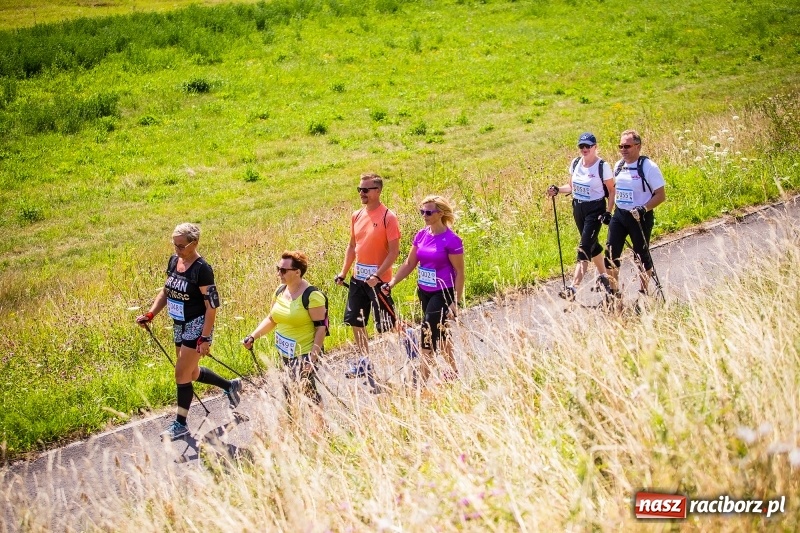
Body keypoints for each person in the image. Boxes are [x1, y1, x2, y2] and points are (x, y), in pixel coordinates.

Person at [136, 223, 241, 441]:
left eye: (181, 246)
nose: (177, 249)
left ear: (195, 243)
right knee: (190, 373)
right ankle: (230, 386)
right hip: (179, 324)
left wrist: (205, 337)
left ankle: (181, 425)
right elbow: (166, 291)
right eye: (174, 244)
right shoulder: (174, 261)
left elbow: (212, 307)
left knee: (181, 374)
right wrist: (151, 314)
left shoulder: (202, 269)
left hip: (197, 324)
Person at [382, 195, 465, 384]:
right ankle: (453, 372)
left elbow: (460, 272)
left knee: (427, 334)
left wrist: (455, 302)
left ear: (441, 213)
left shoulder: (452, 240)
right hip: (424, 291)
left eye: (428, 212)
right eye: (422, 212)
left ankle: (419, 384)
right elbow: (410, 263)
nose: (424, 215)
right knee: (441, 333)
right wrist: (392, 283)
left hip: (443, 292)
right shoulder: (421, 235)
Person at [242, 251, 326, 428]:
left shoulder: (312, 296)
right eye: (278, 269)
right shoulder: (280, 291)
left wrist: (312, 358)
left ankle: (320, 429)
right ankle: (293, 429)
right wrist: (253, 336)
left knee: (306, 392)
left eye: (283, 270)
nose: (278, 273)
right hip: (285, 353)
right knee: (289, 390)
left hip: (304, 353)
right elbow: (272, 319)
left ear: (297, 272)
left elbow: (321, 328)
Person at [334, 173, 401, 381]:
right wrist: (343, 272)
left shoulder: (388, 217)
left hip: (378, 281)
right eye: (359, 189)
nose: (361, 193)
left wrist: (378, 275)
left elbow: (394, 252)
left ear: (378, 191)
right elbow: (352, 246)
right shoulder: (356, 215)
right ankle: (365, 361)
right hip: (358, 279)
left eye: (365, 189)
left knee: (387, 324)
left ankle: (411, 343)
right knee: (357, 321)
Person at [547, 132, 616, 301]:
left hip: (595, 209)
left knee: (584, 247)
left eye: (588, 146)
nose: (584, 149)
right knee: (592, 244)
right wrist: (557, 189)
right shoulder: (576, 163)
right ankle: (605, 277)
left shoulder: (602, 166)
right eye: (581, 146)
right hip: (578, 208)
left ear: (595, 147)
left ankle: (573, 288)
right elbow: (571, 187)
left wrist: (608, 212)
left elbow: (612, 190)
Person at [605, 129, 666, 297]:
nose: (623, 150)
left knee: (641, 256)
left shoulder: (648, 167)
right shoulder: (618, 166)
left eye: (627, 146)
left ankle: (644, 292)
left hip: (640, 217)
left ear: (638, 146)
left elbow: (661, 195)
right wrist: (608, 211)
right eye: (620, 146)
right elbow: (615, 190)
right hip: (620, 215)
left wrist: (643, 208)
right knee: (610, 254)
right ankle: (614, 293)